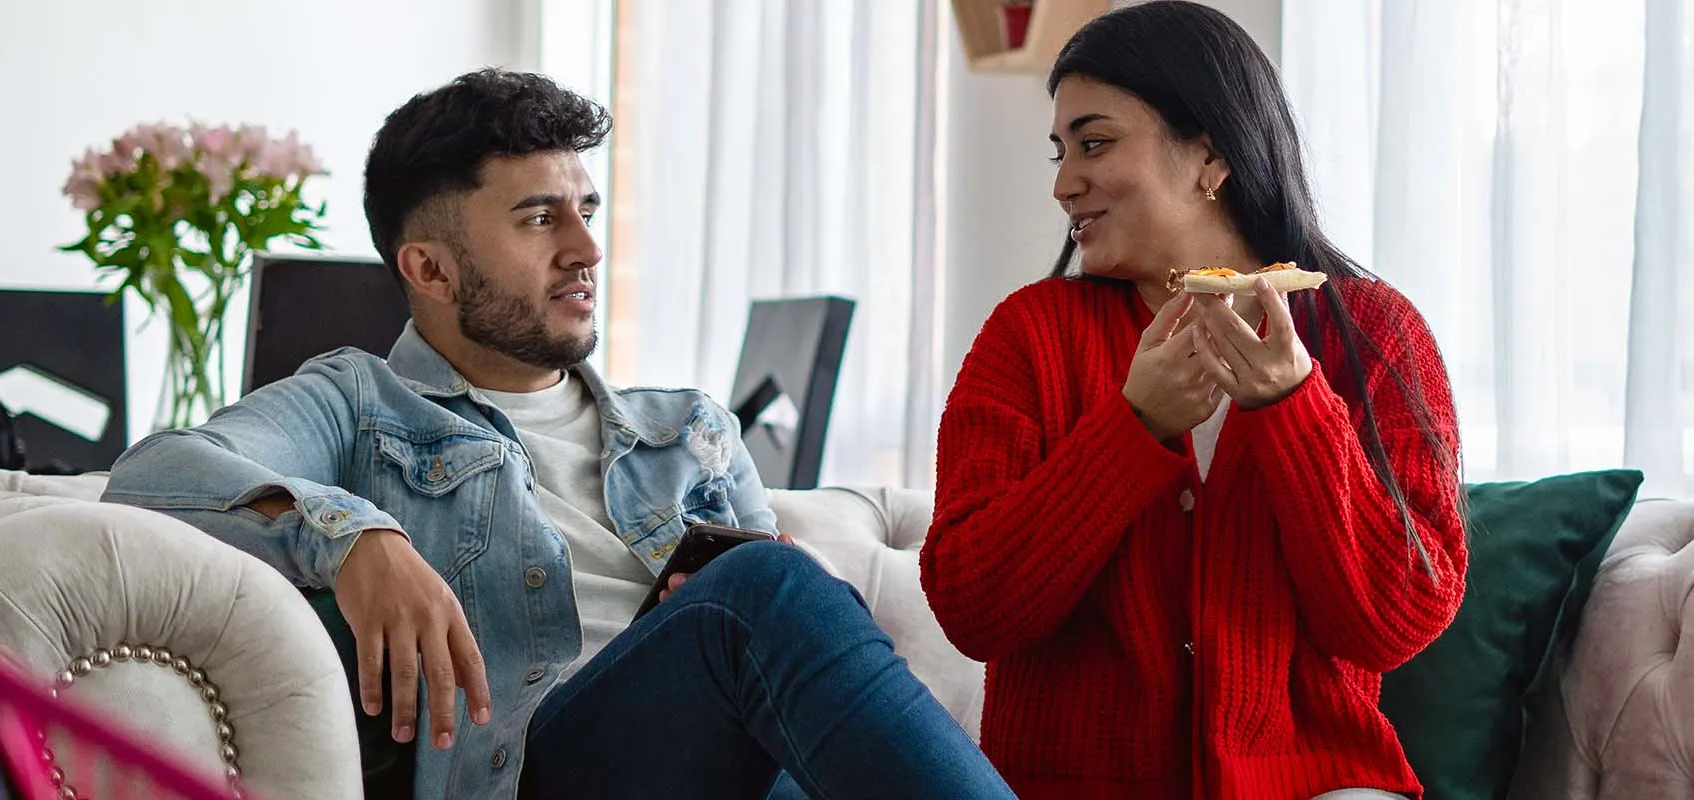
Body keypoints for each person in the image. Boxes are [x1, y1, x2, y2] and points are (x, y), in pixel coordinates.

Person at [102, 69, 1012, 800]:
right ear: (430, 268)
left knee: (767, 593)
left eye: (586, 209)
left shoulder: (688, 428)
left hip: (724, 752)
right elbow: (154, 475)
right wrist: (355, 537)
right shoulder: (358, 402)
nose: (586, 247)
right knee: (763, 589)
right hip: (541, 771)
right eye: (540, 217)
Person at [921, 3, 1467, 799]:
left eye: (1095, 142)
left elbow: (1394, 621)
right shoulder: (1028, 334)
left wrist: (1295, 408)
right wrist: (1129, 429)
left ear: (1208, 153)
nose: (1064, 183)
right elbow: (974, 610)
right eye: (1060, 151)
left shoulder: (1377, 334)